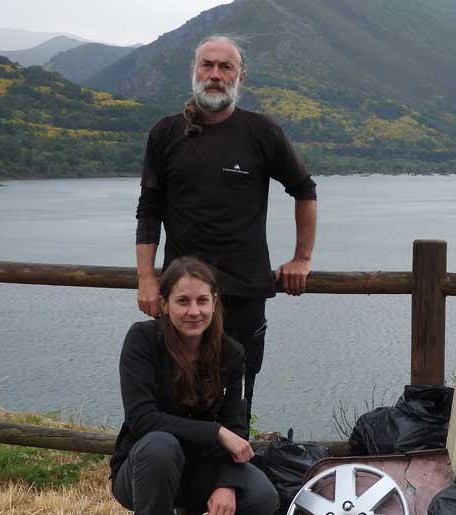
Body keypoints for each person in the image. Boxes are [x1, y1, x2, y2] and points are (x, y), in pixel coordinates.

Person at [134, 34, 318, 417]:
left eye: (225, 67)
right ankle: (183, 474)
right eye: (208, 65)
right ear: (194, 72)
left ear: (240, 77)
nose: (215, 75)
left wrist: (302, 258)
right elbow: (149, 210)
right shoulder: (166, 133)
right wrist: (147, 278)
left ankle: (229, 476)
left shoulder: (262, 132)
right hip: (183, 297)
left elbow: (304, 189)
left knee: (238, 401)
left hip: (243, 294)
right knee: (176, 396)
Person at [111, 257, 279, 515]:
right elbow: (142, 419)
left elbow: (237, 427)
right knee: (161, 444)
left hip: (200, 471)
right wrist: (214, 432)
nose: (193, 311)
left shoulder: (232, 353)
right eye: (182, 301)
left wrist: (227, 485)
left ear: (215, 302)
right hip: (144, 469)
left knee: (262, 498)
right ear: (163, 304)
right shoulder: (142, 340)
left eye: (202, 300)